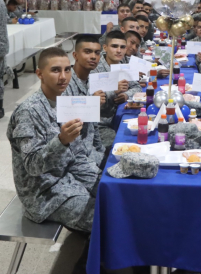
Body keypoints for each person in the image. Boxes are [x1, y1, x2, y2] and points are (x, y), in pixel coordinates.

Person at [8, 46, 102, 233]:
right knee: (104, 217)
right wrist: (61, 141)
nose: (63, 77)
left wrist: (100, 182)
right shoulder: (28, 112)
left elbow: (78, 155)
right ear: (39, 74)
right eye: (55, 70)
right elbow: (33, 166)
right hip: (44, 193)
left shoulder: (64, 101)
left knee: (116, 198)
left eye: (67, 70)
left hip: (69, 178)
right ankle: (91, 262)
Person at [93, 31, 142, 147]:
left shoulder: (123, 65)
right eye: (114, 46)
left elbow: (136, 86)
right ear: (105, 48)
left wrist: (126, 95)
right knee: (122, 144)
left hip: (116, 115)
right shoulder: (95, 68)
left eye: (122, 47)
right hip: (100, 123)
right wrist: (113, 90)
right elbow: (93, 100)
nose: (119, 50)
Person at [64, 35, 107, 160]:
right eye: (87, 52)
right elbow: (69, 127)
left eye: (97, 53)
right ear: (75, 55)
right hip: (76, 154)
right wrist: (92, 106)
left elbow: (93, 127)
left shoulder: (90, 81)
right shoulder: (66, 85)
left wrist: (101, 151)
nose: (93, 56)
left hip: (91, 148)